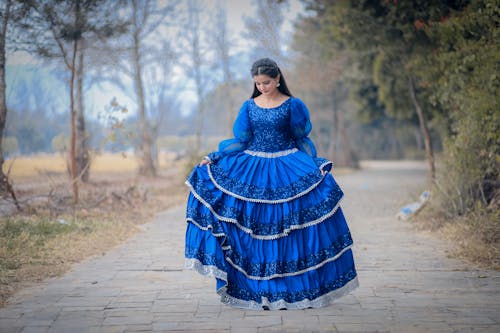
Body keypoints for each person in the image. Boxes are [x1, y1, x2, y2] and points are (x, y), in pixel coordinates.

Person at [184, 57, 358, 310]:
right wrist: (214, 156)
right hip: (253, 166)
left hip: (287, 165)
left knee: (289, 227)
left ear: (277, 79)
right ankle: (258, 288)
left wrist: (314, 165)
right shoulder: (248, 106)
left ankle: (294, 288)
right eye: (258, 83)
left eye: (266, 82)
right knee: (255, 228)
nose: (262, 87)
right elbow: (240, 140)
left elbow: (301, 137)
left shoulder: (293, 105)